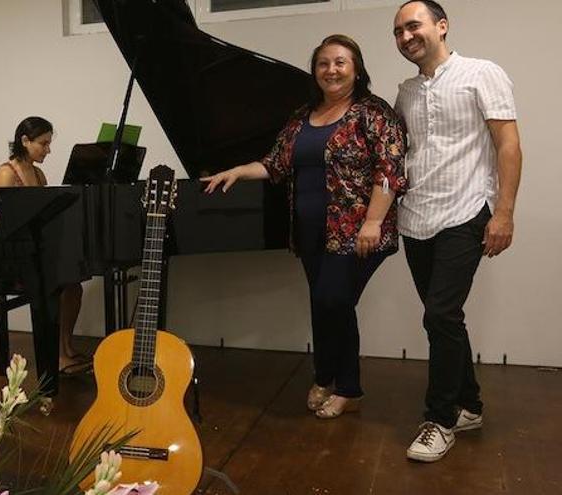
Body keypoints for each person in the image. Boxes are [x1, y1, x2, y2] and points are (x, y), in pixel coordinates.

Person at [202, 35, 407, 419]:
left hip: (356, 230)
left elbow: (390, 170)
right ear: (315, 71)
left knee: (334, 301)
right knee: (323, 303)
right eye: (323, 63)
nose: (331, 70)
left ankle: (348, 387)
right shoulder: (302, 116)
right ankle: (325, 375)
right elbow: (276, 163)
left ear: (356, 69)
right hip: (310, 230)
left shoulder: (373, 112)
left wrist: (373, 221)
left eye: (340, 62)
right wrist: (238, 170)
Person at [392, 1, 522, 462]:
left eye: (414, 25)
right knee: (443, 316)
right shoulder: (405, 91)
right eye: (399, 31)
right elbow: (400, 158)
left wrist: (502, 212)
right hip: (416, 218)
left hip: (466, 212)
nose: (406, 36)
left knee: (439, 316)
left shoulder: (481, 72)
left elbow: (508, 144)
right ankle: (471, 406)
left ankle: (440, 420)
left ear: (441, 26)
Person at [0, 116, 91, 376]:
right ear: (24, 141)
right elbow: (7, 223)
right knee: (55, 284)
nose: (48, 149)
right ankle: (55, 357)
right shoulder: (7, 172)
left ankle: (66, 347)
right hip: (11, 252)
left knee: (74, 286)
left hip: (34, 248)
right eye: (43, 144)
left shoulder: (38, 174)